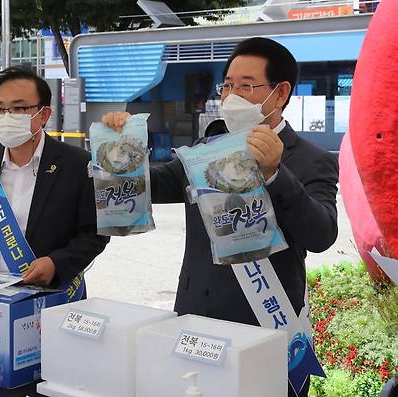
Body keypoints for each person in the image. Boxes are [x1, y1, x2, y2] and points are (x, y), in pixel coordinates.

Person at [101, 37, 338, 397]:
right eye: (227, 85)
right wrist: (120, 145)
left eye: (246, 85)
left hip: (265, 324)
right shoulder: (204, 151)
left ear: (280, 93)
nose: (231, 95)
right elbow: (149, 186)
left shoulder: (311, 158)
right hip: (195, 317)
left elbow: (322, 235)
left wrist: (276, 174)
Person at [0, 66, 109, 291]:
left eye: (18, 108)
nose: (6, 117)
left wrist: (57, 263)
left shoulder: (77, 164)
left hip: (54, 293)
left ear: (44, 114)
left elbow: (95, 232)